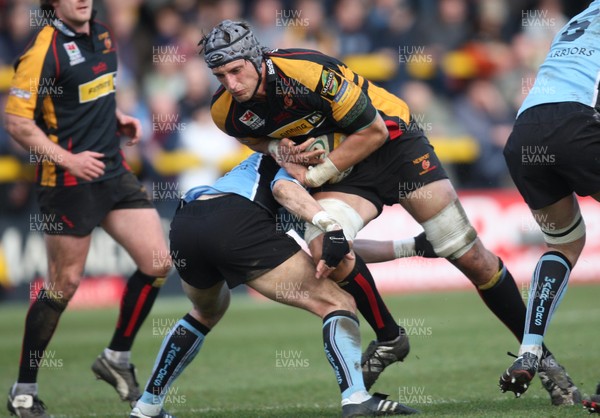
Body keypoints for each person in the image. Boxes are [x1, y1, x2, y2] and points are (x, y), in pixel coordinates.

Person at [199, 19, 580, 404]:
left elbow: (375, 131)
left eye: (236, 70)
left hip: (393, 145)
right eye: (220, 75)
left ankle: (544, 362)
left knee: (470, 257)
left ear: (258, 59)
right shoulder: (224, 111)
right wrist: (280, 151)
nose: (231, 83)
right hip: (344, 164)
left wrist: (319, 173)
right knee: (327, 251)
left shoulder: (308, 72)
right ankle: (389, 336)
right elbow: (258, 139)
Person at [129, 152, 418, 418]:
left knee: (205, 311)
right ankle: (355, 398)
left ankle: (148, 406)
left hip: (187, 222)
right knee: (337, 302)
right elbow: (293, 199)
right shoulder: (308, 159)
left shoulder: (269, 160)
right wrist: (332, 225)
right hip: (238, 220)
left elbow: (334, 251)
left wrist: (411, 246)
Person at [4, 1, 171, 416]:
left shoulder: (103, 33)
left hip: (112, 171)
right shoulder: (43, 48)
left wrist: (116, 117)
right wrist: (68, 159)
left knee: (158, 262)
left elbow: (91, 91)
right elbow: (17, 123)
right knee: (64, 285)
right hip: (68, 181)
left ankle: (116, 358)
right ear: (53, 4)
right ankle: (23, 389)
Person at [498, 0, 600, 405]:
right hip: (576, 122)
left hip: (524, 133)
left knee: (564, 244)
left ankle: (530, 348)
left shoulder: (582, 16)